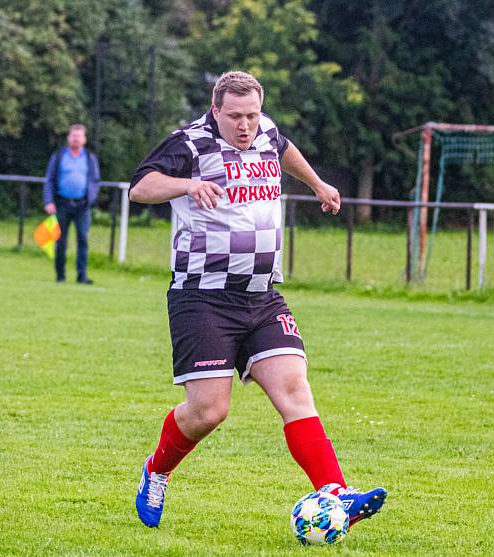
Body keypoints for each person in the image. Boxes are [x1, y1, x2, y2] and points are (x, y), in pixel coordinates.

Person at [129, 71, 386, 529]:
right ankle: (157, 470)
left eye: (251, 115)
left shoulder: (265, 132)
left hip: (261, 295)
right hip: (202, 297)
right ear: (215, 111)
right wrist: (186, 186)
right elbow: (140, 186)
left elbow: (283, 149)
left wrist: (317, 184)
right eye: (235, 117)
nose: (245, 126)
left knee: (294, 391)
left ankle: (337, 494)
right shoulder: (190, 143)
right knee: (210, 411)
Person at [43, 124, 101, 284]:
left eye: (79, 136)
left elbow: (95, 181)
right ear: (69, 138)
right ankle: (60, 275)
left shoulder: (89, 157)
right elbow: (49, 180)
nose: (76, 139)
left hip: (82, 206)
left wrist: (91, 198)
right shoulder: (59, 156)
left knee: (83, 239)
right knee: (60, 241)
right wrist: (48, 201)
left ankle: (82, 275)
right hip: (61, 203)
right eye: (73, 136)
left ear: (84, 139)